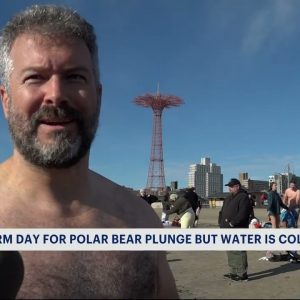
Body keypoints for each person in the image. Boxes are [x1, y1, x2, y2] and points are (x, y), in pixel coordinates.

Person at [0, 5, 178, 299]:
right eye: (35, 77)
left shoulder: (138, 219)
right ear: (5, 100)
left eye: (74, 77)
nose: (56, 94)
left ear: (98, 96)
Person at [218, 178, 251, 282]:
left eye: (231, 186)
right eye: (229, 186)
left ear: (237, 186)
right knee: (230, 250)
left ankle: (242, 274)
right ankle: (233, 272)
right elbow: (222, 211)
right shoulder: (228, 197)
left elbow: (243, 213)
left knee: (239, 250)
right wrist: (220, 222)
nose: (230, 188)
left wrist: (233, 223)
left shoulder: (243, 197)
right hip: (225, 227)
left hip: (238, 228)